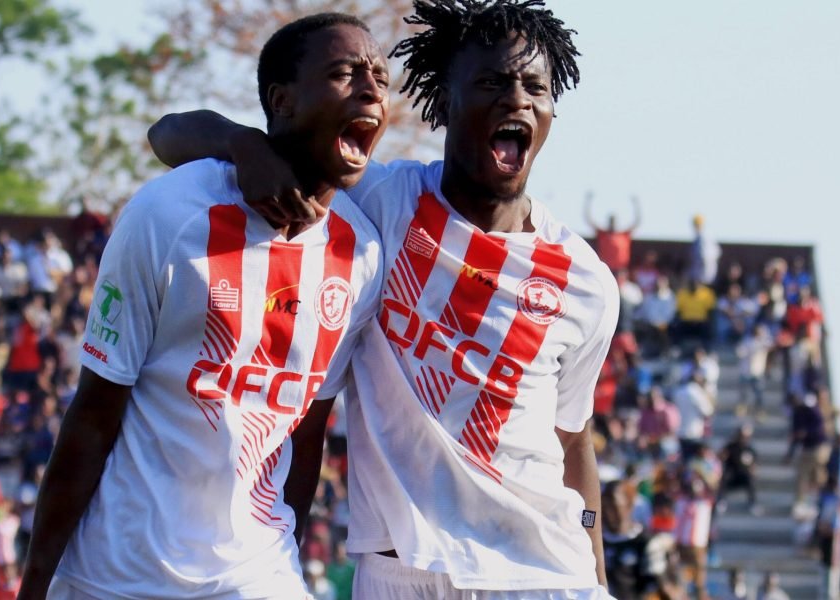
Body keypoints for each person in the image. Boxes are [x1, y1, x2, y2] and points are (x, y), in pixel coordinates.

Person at [149, 2, 615, 597]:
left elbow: (572, 441)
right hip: (397, 573)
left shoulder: (585, 281)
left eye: (535, 87)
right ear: (443, 103)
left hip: (540, 573)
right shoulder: (378, 203)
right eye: (492, 83)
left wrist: (596, 576)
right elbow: (167, 135)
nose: (518, 100)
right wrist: (243, 145)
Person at [19, 13, 387, 599]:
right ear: (283, 101)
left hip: (257, 572)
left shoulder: (364, 252)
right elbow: (93, 413)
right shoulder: (169, 213)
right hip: (120, 573)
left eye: (381, 79)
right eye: (345, 73)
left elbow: (306, 432)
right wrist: (34, 584)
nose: (371, 89)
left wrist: (283, 551)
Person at [601, 480, 680, 600]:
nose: (608, 513)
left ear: (629, 504)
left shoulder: (647, 543)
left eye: (613, 506)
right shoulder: (595, 543)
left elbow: (667, 590)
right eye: (604, 507)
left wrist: (663, 582)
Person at [585, 193, 641, 273]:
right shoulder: (602, 234)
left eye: (614, 221)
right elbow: (589, 220)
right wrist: (588, 201)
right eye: (611, 221)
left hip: (621, 269)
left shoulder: (624, 235)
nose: (612, 223)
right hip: (605, 269)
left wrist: (636, 204)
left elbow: (637, 222)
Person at [717, 425, 760, 515]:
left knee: (750, 478)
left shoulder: (749, 449)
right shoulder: (730, 446)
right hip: (731, 476)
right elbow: (720, 457)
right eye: (741, 435)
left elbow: (753, 466)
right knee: (725, 476)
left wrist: (753, 471)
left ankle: (753, 503)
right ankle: (721, 501)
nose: (743, 438)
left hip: (742, 477)